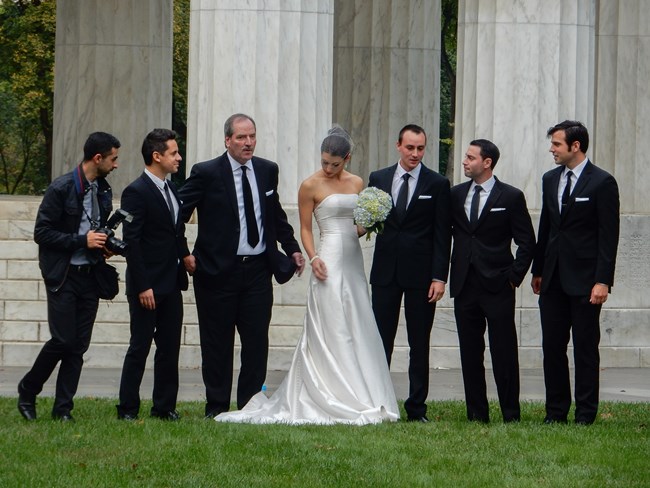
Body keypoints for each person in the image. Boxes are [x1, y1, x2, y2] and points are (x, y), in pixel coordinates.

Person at [215, 127, 399, 424]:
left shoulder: (357, 183)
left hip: (352, 259)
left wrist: (371, 221)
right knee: (331, 323)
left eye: (334, 164)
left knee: (356, 320)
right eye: (324, 161)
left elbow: (357, 226)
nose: (328, 168)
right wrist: (313, 257)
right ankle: (328, 391)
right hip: (326, 256)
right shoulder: (310, 185)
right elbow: (304, 227)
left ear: (347, 159)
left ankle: (361, 392)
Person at [179, 113, 305, 418]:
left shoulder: (266, 170)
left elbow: (274, 215)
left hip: (258, 272)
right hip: (216, 272)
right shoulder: (206, 172)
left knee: (256, 343)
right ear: (227, 140)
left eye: (252, 137)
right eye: (240, 137)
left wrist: (292, 249)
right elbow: (176, 212)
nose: (248, 143)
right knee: (217, 345)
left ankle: (251, 406)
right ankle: (217, 407)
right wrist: (182, 253)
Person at [17, 132, 120, 422]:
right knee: (63, 340)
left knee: (78, 346)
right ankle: (28, 388)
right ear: (97, 158)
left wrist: (104, 245)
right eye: (113, 159)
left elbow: (97, 229)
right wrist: (81, 241)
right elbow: (42, 233)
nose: (116, 165)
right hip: (63, 276)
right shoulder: (61, 188)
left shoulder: (102, 190)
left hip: (91, 275)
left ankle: (63, 409)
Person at [531, 120, 620, 425]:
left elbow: (609, 236)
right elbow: (546, 226)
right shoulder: (549, 179)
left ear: (575, 146)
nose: (552, 149)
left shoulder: (602, 182)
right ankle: (555, 412)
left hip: (586, 281)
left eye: (557, 144)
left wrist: (603, 280)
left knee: (584, 349)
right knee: (552, 348)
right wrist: (538, 269)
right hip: (552, 278)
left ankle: (585, 414)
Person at [368, 124, 451, 422]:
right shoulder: (378, 178)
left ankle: (417, 408)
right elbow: (370, 221)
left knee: (419, 342)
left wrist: (439, 277)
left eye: (420, 148)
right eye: (410, 148)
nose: (415, 154)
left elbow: (443, 234)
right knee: (380, 341)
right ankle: (380, 402)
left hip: (422, 276)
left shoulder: (437, 183)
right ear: (398, 145)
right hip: (385, 273)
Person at [449, 139, 535, 423]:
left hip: (498, 286)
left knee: (504, 352)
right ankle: (476, 414)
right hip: (464, 285)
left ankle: (511, 414)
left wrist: (513, 278)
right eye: (465, 156)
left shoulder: (510, 196)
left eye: (471, 157)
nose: (465, 161)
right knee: (470, 353)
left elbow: (527, 242)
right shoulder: (456, 194)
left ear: (487, 162)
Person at [116, 129, 192, 421]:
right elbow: (131, 242)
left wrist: (185, 255)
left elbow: (176, 231)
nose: (179, 157)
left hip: (172, 282)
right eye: (174, 152)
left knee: (169, 348)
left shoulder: (172, 189)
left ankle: (164, 407)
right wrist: (142, 285)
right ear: (156, 156)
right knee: (140, 346)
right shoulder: (136, 191)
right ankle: (127, 409)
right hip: (146, 285)